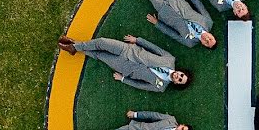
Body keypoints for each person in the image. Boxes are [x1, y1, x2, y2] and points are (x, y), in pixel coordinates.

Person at [57, 35, 192, 93]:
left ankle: (74, 46)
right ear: (181, 71)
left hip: (125, 68)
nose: (178, 77)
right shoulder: (170, 60)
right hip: (129, 50)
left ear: (176, 84)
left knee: (100, 55)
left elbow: (140, 85)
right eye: (181, 75)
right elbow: (155, 48)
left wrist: (123, 79)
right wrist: (137, 40)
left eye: (180, 80)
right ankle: (75, 46)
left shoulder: (161, 87)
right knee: (102, 42)